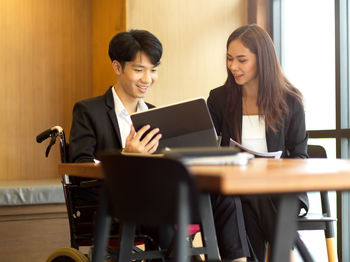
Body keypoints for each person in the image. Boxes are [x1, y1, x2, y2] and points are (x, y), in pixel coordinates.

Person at [207, 24, 309, 261]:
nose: (233, 66)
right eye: (230, 59)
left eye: (242, 60)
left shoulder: (290, 101)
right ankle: (287, 253)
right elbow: (205, 147)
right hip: (236, 190)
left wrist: (271, 172)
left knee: (254, 201)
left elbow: (300, 157)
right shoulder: (219, 99)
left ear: (262, 59)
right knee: (241, 202)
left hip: (281, 190)